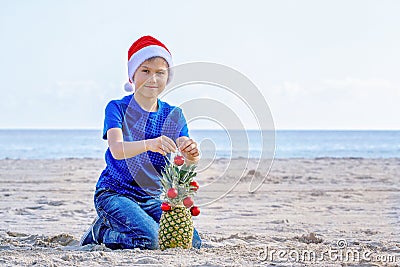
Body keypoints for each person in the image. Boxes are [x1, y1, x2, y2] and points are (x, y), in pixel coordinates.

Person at [79, 35, 201, 250]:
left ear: (167, 78)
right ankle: (101, 232)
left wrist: (191, 154)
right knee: (150, 241)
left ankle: (125, 224)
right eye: (145, 71)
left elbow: (185, 157)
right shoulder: (117, 108)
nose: (152, 79)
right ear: (132, 76)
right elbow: (116, 149)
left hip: (152, 198)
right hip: (114, 193)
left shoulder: (174, 114)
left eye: (160, 73)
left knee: (190, 242)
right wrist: (149, 144)